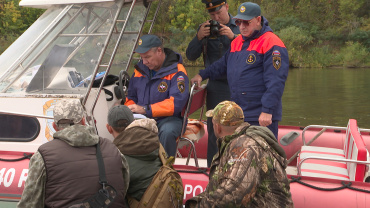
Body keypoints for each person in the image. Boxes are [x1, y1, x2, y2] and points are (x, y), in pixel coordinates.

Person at [191, 2, 289, 139]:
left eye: (246, 23)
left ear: (258, 20)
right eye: (238, 22)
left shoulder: (271, 43)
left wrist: (267, 110)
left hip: (261, 115)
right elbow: (221, 65)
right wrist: (202, 74)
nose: (241, 27)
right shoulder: (238, 42)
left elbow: (276, 81)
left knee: (263, 155)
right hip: (240, 113)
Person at [17, 99, 130, 208]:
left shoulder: (42, 156)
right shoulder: (114, 149)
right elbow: (123, 189)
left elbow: (29, 204)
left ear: (55, 127)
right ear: (83, 121)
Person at [185, 101, 294, 207]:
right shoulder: (233, 142)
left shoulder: (245, 147)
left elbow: (234, 193)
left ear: (217, 127)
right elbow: (219, 187)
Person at [186, 0, 240, 167]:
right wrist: (198, 37)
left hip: (238, 86)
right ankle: (213, 170)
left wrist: (233, 38)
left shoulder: (240, 26)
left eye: (219, 13)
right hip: (216, 86)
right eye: (212, 15)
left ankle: (236, 168)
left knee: (238, 130)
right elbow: (190, 56)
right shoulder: (206, 29)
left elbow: (249, 53)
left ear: (227, 7)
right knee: (215, 132)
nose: (217, 17)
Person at [125, 34, 189, 157]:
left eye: (147, 57)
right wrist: (130, 108)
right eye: (142, 58)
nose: (144, 61)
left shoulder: (177, 71)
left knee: (167, 132)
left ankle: (166, 168)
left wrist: (145, 109)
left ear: (159, 51)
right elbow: (131, 97)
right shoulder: (139, 70)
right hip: (142, 117)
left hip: (169, 119)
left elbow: (176, 104)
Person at [106, 105, 162, 203]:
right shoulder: (154, 140)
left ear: (109, 128)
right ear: (134, 122)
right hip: (163, 198)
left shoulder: (115, 157)